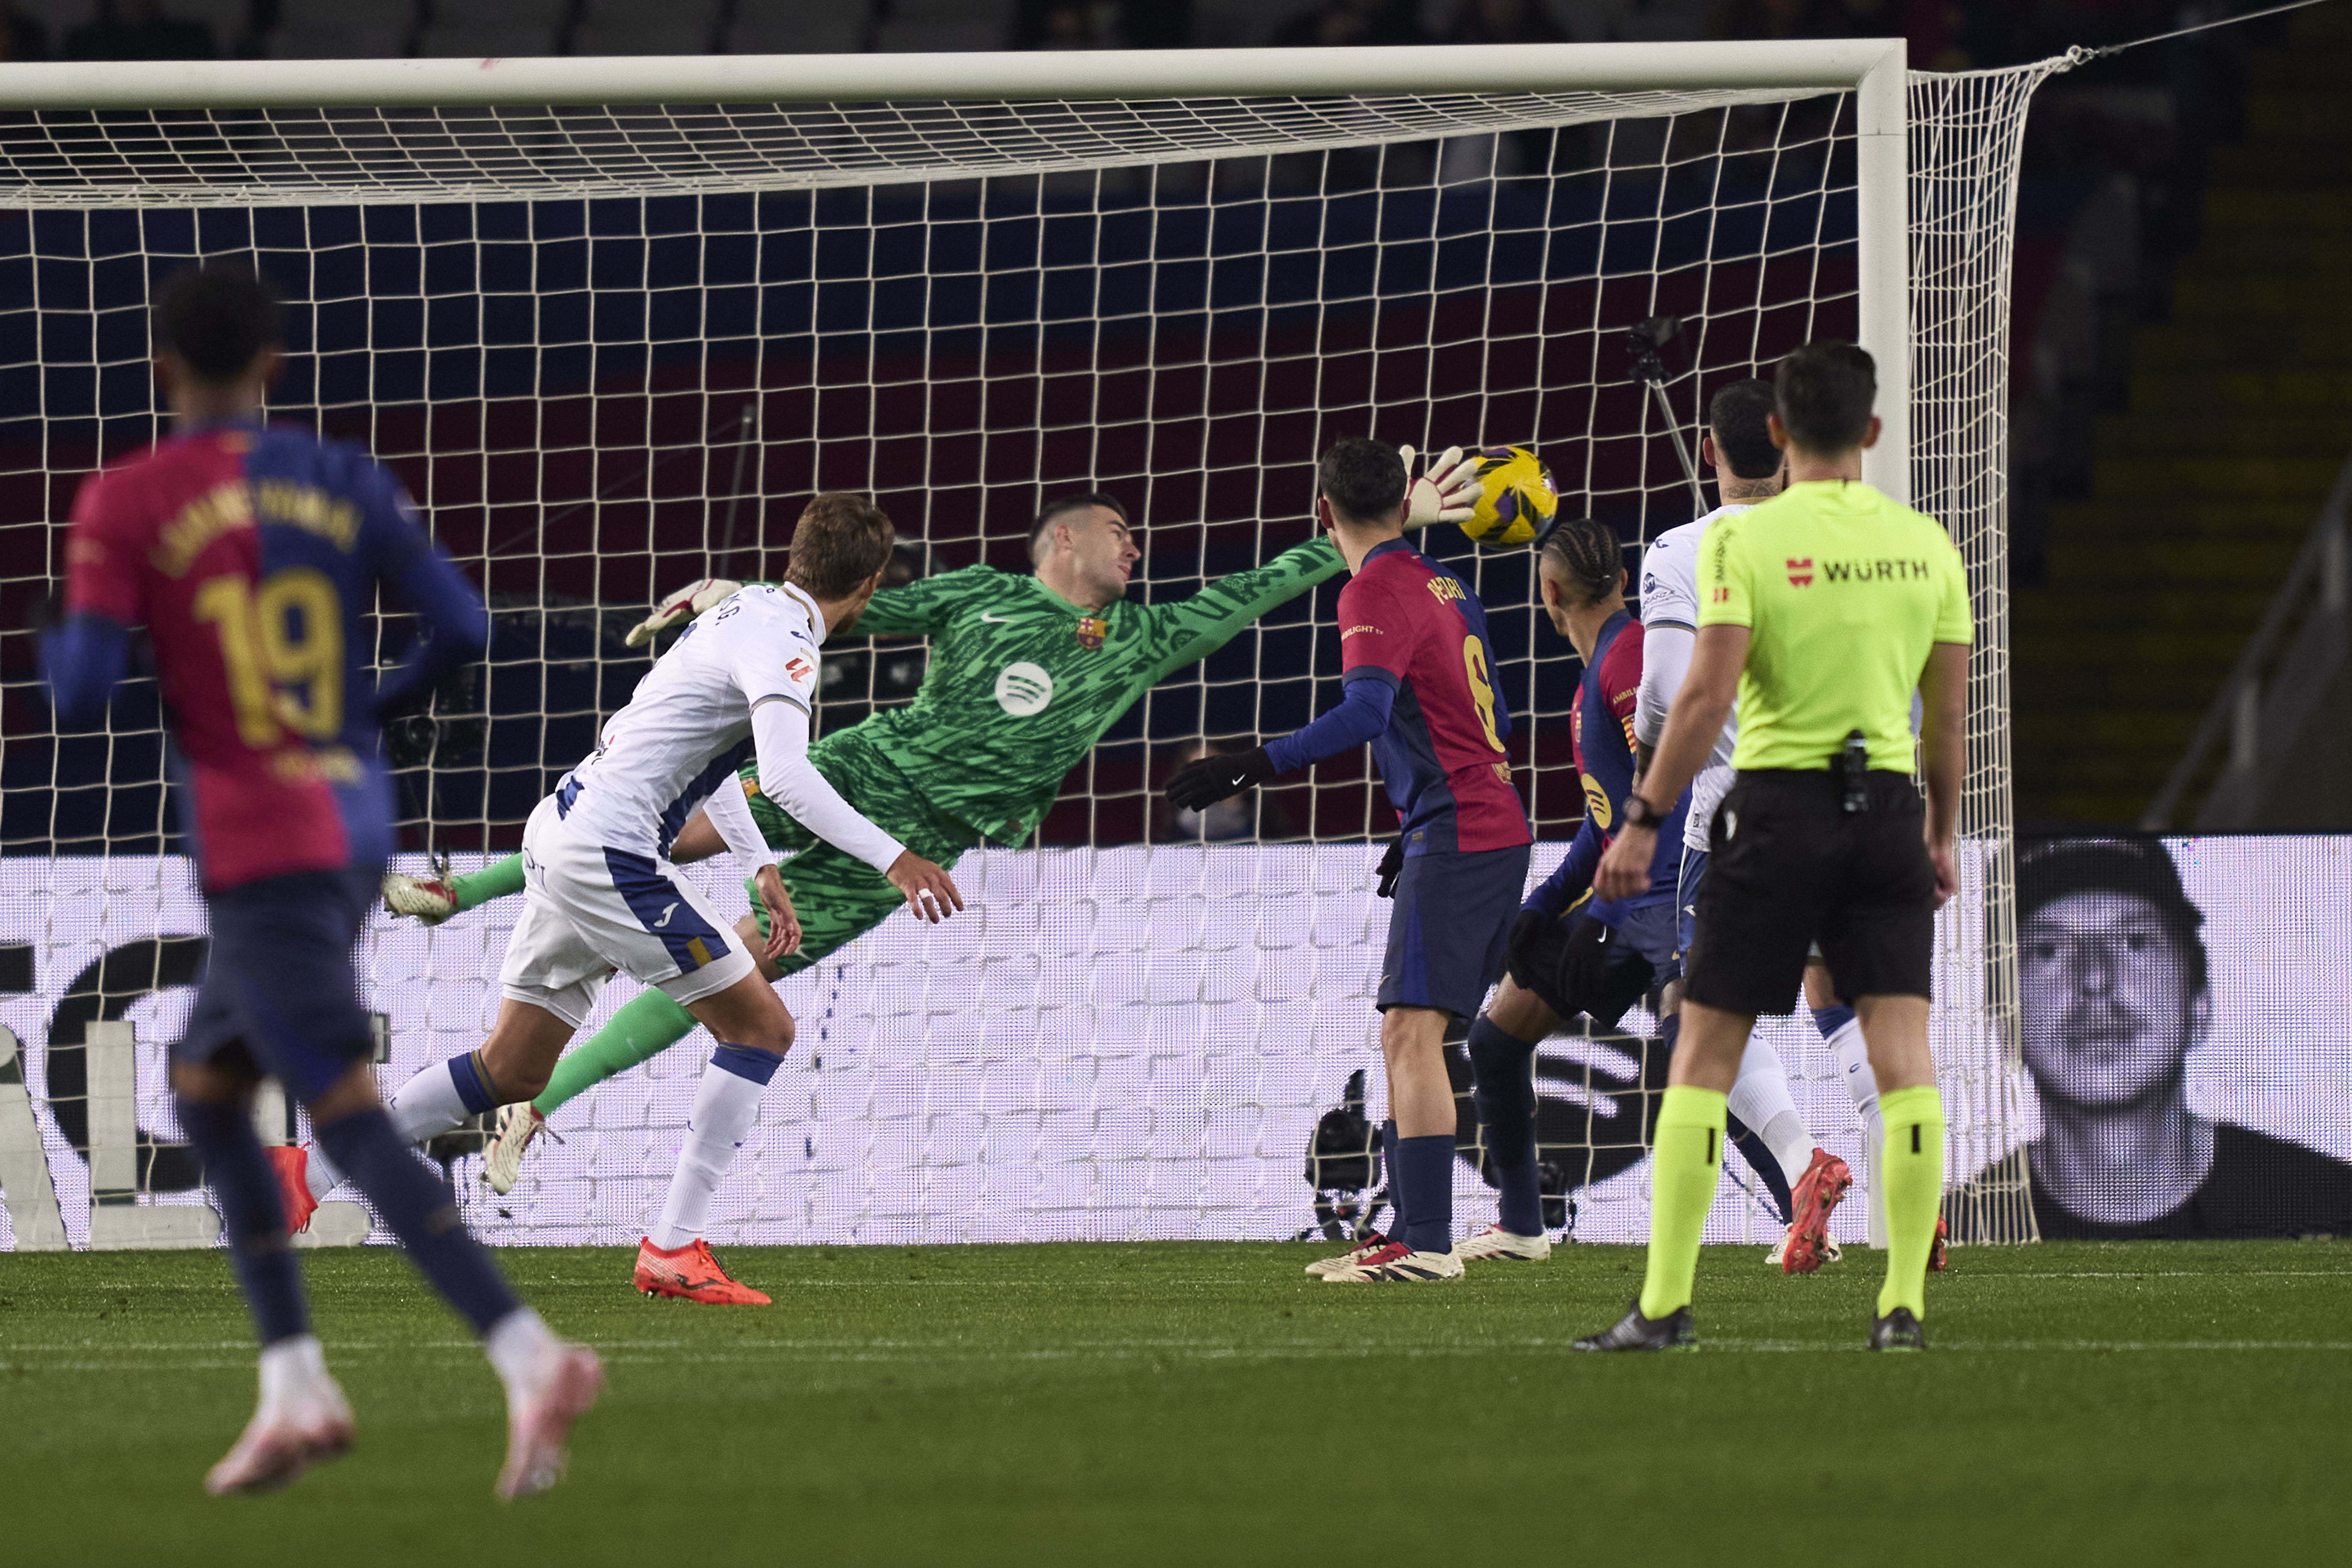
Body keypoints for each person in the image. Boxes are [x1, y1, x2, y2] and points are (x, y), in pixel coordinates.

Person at [372, 472, 1473, 1230]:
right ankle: (459, 890)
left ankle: (536, 1100)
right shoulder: (982, 597)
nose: (1136, 545)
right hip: (860, 770)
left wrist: (1378, 527)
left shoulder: (1139, 640)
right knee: (669, 836)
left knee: (734, 979)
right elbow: (837, 611)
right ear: (1065, 541)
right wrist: (728, 598)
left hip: (920, 847)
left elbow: (1264, 584)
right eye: (1118, 528)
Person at [41, 265, 599, 1497]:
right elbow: (464, 625)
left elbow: (79, 695)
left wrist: (71, 622)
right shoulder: (344, 477)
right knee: (202, 1085)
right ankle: (295, 1381)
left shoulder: (125, 500)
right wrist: (365, 713)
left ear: (161, 368)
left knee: (341, 1112)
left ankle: (530, 1353)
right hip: (350, 818)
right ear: (275, 366)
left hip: (263, 841)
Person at [284, 494, 969, 1306]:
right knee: (762, 1027)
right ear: (872, 583)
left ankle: (307, 1169)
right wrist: (897, 858)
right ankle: (674, 1246)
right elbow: (783, 772)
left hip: (561, 828)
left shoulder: (744, 606)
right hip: (610, 853)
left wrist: (760, 868)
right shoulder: (787, 643)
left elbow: (710, 752)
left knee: (514, 1067)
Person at [1575, 340, 1970, 1353]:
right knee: (1901, 1054)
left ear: (1782, 437)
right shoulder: (1926, 545)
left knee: (1702, 1049)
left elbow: (1698, 699)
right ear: (1872, 433)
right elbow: (1947, 716)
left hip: (1771, 813)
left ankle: (1662, 1307)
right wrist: (1937, 832)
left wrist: (1643, 819)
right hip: (1884, 811)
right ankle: (1903, 1309)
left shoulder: (1736, 545)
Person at [1170, 438, 1531, 1282]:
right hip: (1477, 821)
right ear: (1404, 503)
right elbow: (1495, 717)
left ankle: (1429, 1240)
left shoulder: (1372, 587)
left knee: (1413, 1029)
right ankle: (1412, 1227)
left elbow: (1365, 712)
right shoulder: (1449, 583)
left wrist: (1250, 762)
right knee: (1412, 1029)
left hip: (1464, 831)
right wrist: (1414, 825)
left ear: (1322, 511)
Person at [1634, 377, 1864, 1273]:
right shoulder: (1850, 545)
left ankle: (1802, 1170)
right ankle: (1914, 1208)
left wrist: (1667, 745)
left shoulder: (1681, 550)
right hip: (1850, 804)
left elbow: (1659, 695)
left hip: (1737, 815)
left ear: (1709, 451)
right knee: (1841, 1000)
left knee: (1705, 1021)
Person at [1442, 513, 1684, 1267]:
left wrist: (1603, 915)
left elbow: (1664, 796)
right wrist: (1545, 904)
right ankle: (1521, 1225)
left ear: (1548, 591)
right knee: (1495, 1038)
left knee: (1700, 1063)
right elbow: (1604, 818)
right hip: (1626, 897)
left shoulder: (1630, 660)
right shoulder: (1602, 669)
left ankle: (1800, 1202)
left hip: (1669, 897)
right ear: (1618, 580)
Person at [2003, 837, 2352, 1239]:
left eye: (2135, 942)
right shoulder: (1955, 1235)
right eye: (2047, 950)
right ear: (2004, 1019)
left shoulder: (2331, 1214)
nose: (2095, 978)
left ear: (2198, 1006)